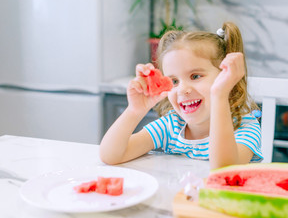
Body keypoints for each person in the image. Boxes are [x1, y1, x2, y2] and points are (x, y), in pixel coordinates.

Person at [100, 22, 263, 169]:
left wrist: (220, 95)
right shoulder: (171, 126)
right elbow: (111, 156)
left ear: (225, 77)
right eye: (174, 81)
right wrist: (134, 110)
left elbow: (224, 171)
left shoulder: (245, 128)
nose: (182, 89)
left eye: (195, 76)